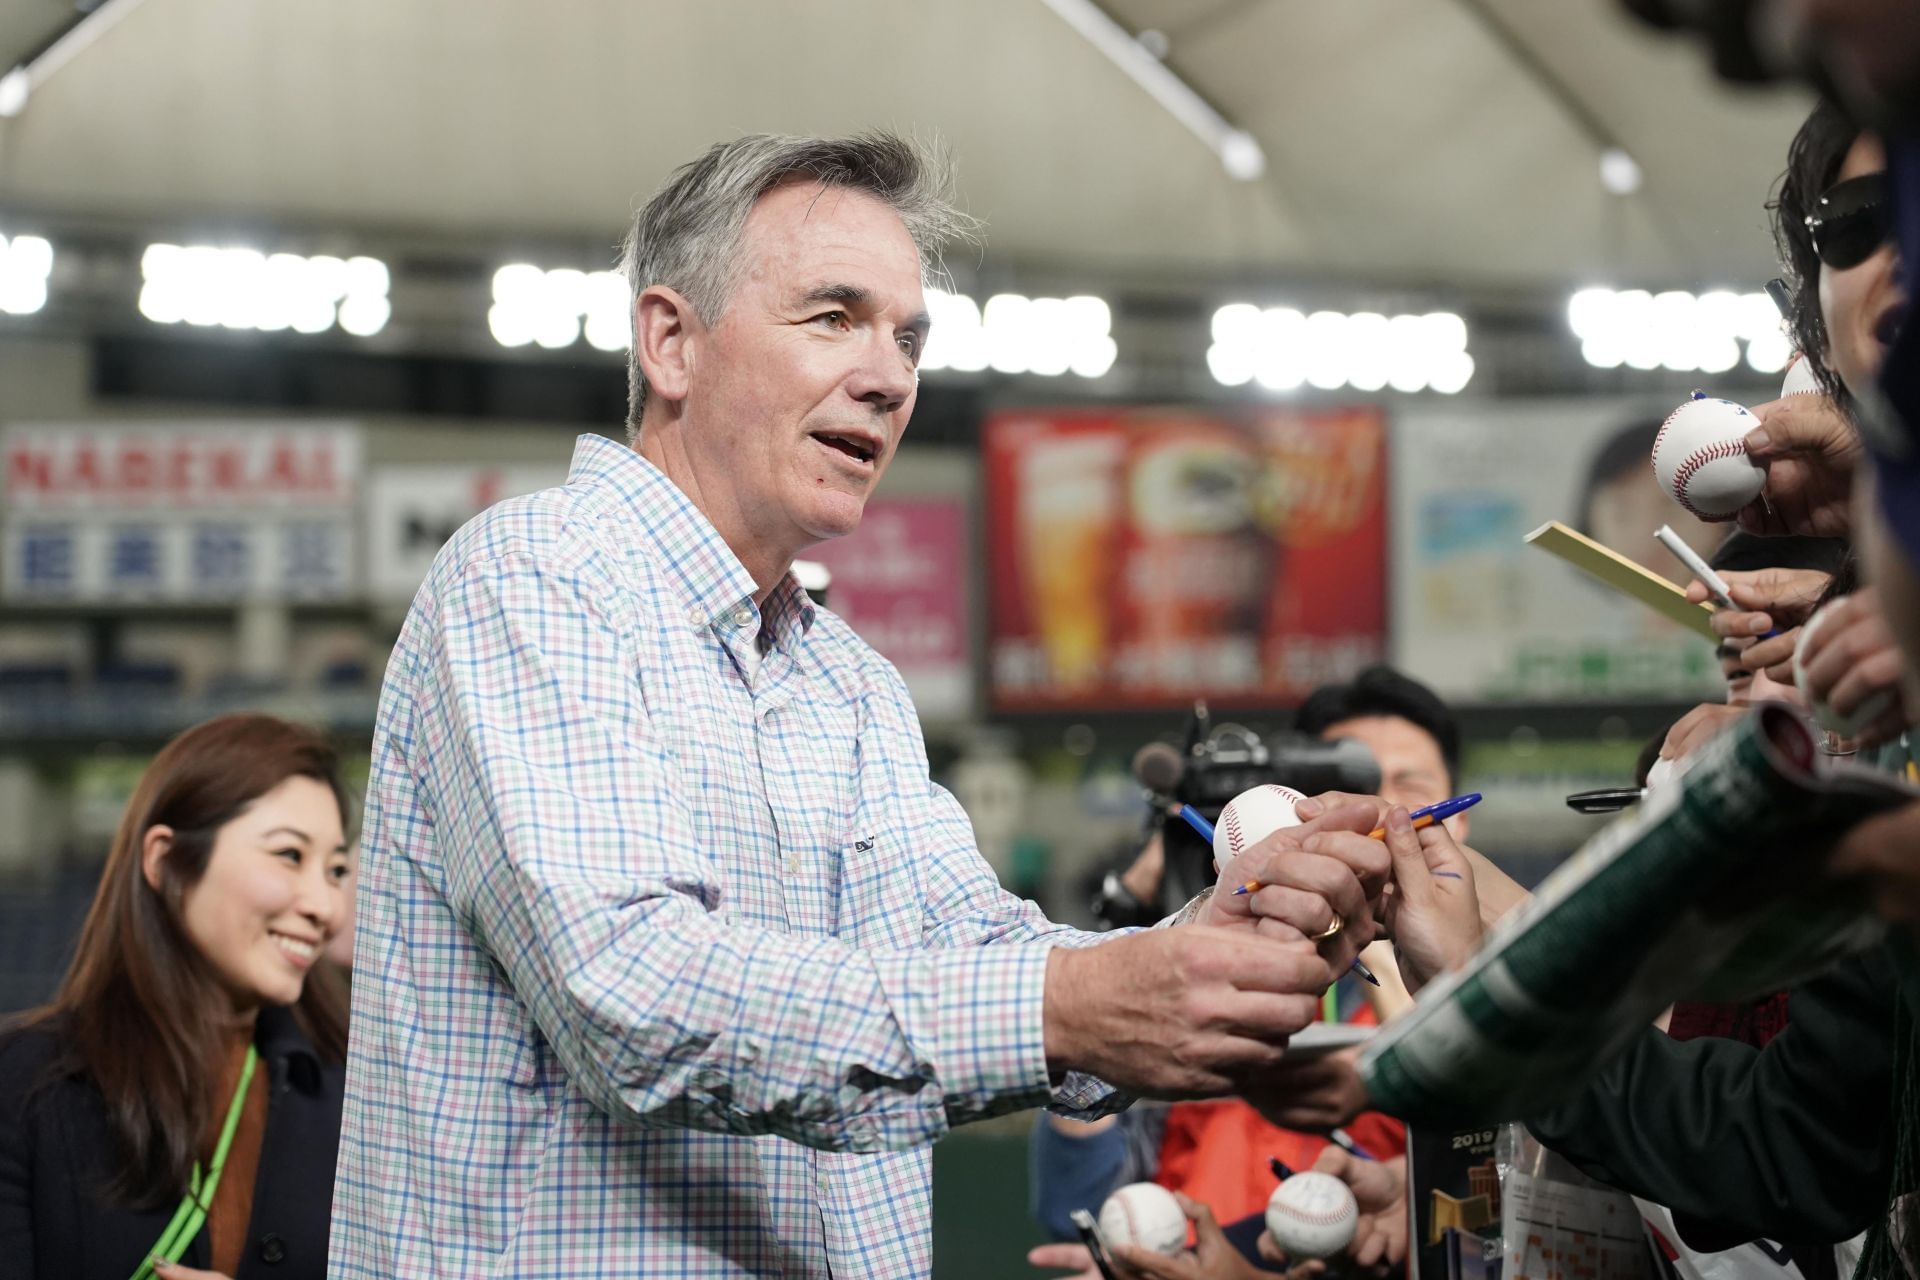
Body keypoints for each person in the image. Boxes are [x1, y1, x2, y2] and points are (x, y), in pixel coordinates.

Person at [327, 132, 1384, 1279]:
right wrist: (1081, 1001)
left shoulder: (849, 680)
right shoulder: (535, 574)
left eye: (908, 336)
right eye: (834, 317)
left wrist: (1212, 955)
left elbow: (981, 950)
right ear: (671, 342)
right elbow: (629, 991)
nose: (889, 375)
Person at [1029, 667, 1467, 1274]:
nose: (1380, 808)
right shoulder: (1221, 974)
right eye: (1353, 782)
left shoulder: (1479, 992)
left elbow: (1485, 1181)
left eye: (1408, 785)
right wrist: (1127, 931)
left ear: (1457, 819)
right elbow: (1071, 1205)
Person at [0, 714, 355, 1280]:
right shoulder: (22, 1081)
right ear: (166, 863)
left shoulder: (358, 1102)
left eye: (336, 870)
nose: (325, 905)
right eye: (289, 855)